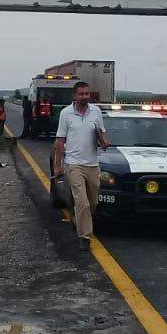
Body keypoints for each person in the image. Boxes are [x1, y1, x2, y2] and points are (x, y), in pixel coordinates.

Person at [53, 81, 110, 251]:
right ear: (75, 96)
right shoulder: (66, 114)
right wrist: (58, 165)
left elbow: (102, 133)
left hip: (92, 164)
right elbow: (60, 141)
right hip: (73, 164)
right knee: (82, 203)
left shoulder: (96, 111)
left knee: (92, 202)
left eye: (87, 93)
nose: (85, 97)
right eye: (82, 94)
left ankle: (79, 220)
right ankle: (85, 237)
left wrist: (104, 141)